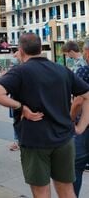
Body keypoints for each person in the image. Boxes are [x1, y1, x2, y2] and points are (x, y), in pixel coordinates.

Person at [0, 33, 89, 198]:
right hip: (64, 140)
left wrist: (21, 107)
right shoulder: (61, 69)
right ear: (40, 49)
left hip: (35, 142)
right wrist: (81, 126)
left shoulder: (20, 71)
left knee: (41, 192)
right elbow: (86, 95)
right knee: (67, 190)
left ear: (21, 50)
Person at [71, 38, 89, 197]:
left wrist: (70, 119)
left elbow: (78, 100)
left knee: (76, 166)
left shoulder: (83, 70)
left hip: (84, 127)